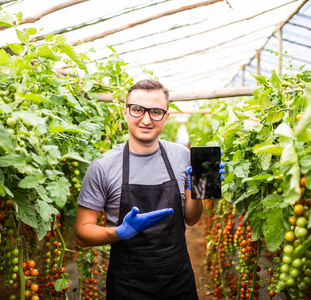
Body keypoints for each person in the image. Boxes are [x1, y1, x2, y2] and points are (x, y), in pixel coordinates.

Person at [74, 79, 221, 299]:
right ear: (125, 112)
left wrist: (199, 188)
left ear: (166, 117)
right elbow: (81, 232)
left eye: (156, 112)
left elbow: (191, 219)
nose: (146, 119)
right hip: (128, 285)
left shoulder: (181, 155)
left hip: (178, 281)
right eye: (137, 110)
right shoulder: (103, 167)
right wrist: (118, 232)